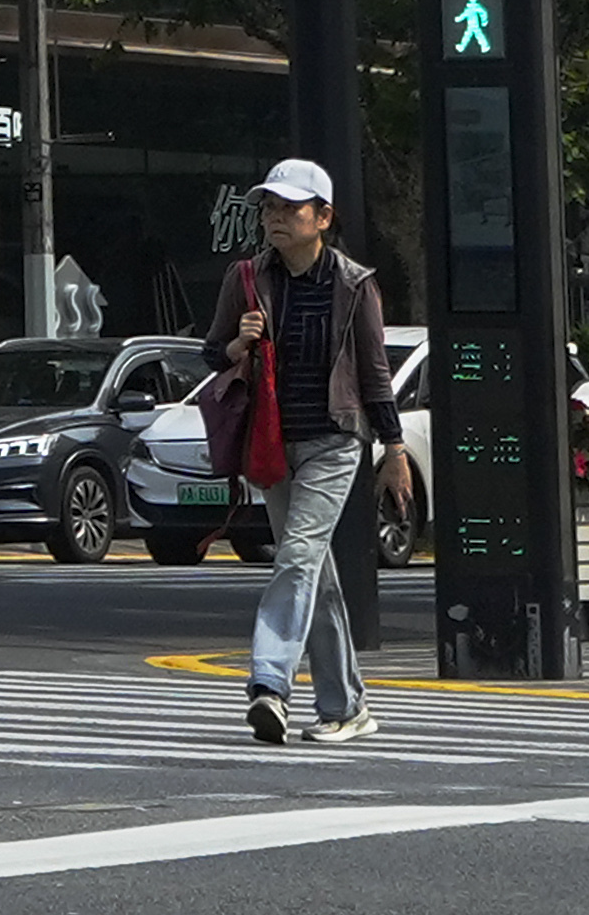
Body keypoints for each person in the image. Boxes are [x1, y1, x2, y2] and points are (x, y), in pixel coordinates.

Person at [209, 152, 414, 746]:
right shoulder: (246, 277)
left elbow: (375, 374)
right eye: (268, 207)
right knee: (312, 573)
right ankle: (346, 706)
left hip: (333, 439)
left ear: (323, 217)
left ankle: (269, 683)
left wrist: (394, 448)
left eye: (288, 208)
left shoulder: (355, 285)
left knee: (296, 557)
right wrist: (236, 346)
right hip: (272, 441)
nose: (274, 218)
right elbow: (209, 353)